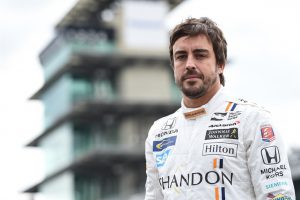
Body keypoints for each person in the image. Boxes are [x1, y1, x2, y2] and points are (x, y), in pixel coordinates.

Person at [144, 17, 295, 199]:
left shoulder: (253, 120)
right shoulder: (159, 132)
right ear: (173, 65)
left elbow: (279, 195)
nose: (190, 64)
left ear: (220, 64)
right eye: (181, 56)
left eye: (200, 55)